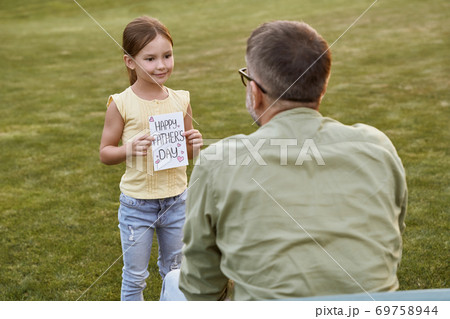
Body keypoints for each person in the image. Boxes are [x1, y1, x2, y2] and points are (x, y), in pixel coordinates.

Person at [161, 20, 407, 301]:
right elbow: (389, 247)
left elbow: (200, 288)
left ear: (255, 93)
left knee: (173, 281)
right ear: (321, 87)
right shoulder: (377, 147)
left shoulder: (219, 160)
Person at [99, 16, 203, 301]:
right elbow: (105, 153)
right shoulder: (121, 103)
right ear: (130, 62)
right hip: (137, 205)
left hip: (177, 201)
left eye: (167, 56)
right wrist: (128, 148)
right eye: (150, 58)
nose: (161, 65)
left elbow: (186, 152)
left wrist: (194, 144)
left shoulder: (180, 99)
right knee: (134, 277)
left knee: (176, 272)